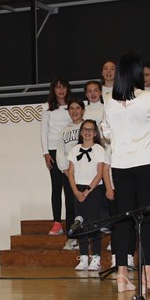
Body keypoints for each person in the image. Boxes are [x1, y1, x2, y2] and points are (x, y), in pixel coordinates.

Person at [100, 52, 150, 294]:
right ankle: (147, 277)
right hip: (146, 165)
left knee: (124, 221)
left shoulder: (109, 100)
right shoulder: (149, 97)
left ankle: (122, 276)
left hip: (121, 166)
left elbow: (105, 133)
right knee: (148, 220)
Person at [67, 119, 109, 272]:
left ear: (95, 133)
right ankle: (83, 256)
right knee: (80, 224)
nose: (87, 132)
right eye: (85, 129)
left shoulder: (99, 150)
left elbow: (100, 173)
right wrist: (76, 191)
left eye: (90, 130)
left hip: (93, 189)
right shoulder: (74, 149)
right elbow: (70, 172)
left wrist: (87, 191)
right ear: (81, 132)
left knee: (94, 224)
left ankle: (96, 258)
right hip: (77, 190)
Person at [41, 77, 72, 237]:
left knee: (70, 188)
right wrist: (46, 153)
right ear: (53, 90)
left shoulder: (72, 106)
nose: (61, 90)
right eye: (58, 87)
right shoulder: (47, 108)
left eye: (64, 87)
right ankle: (57, 223)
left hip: (69, 151)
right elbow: (43, 132)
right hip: (53, 151)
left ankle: (72, 223)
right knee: (56, 187)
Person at [56, 99, 87, 250]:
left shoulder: (88, 127)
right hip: (69, 174)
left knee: (86, 205)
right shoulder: (64, 131)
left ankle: (87, 237)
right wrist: (65, 170)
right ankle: (72, 238)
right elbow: (60, 152)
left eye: (77, 108)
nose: (74, 111)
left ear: (83, 110)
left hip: (86, 173)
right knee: (71, 206)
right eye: (71, 108)